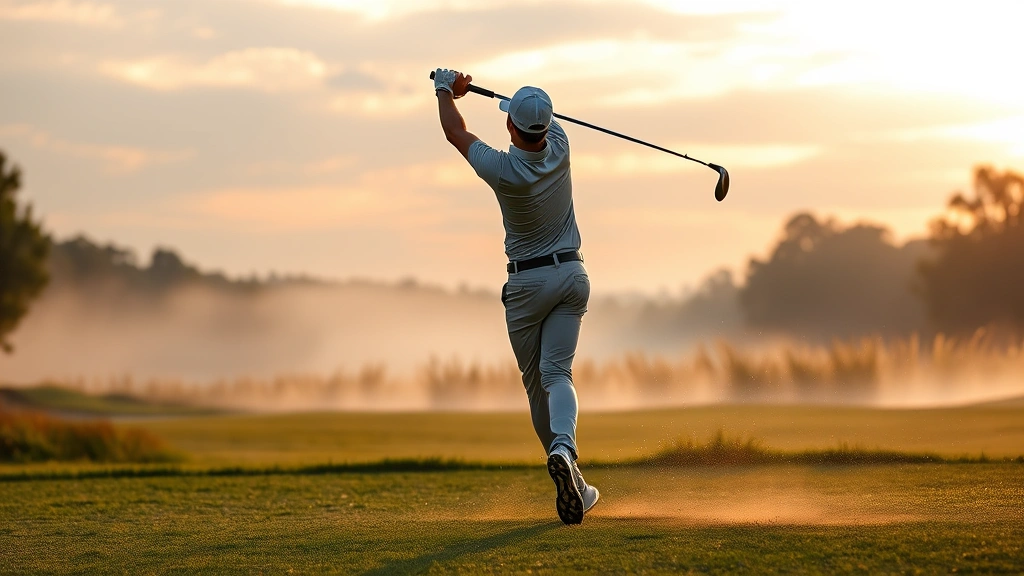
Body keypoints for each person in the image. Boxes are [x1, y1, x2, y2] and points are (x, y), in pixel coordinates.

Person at [433, 68, 599, 524]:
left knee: (537, 385)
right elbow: (543, 121)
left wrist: (447, 88)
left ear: (510, 127)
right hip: (571, 273)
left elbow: (455, 130)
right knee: (558, 372)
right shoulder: (561, 145)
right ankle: (570, 465)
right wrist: (528, 110)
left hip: (526, 286)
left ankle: (565, 461)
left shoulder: (503, 169)